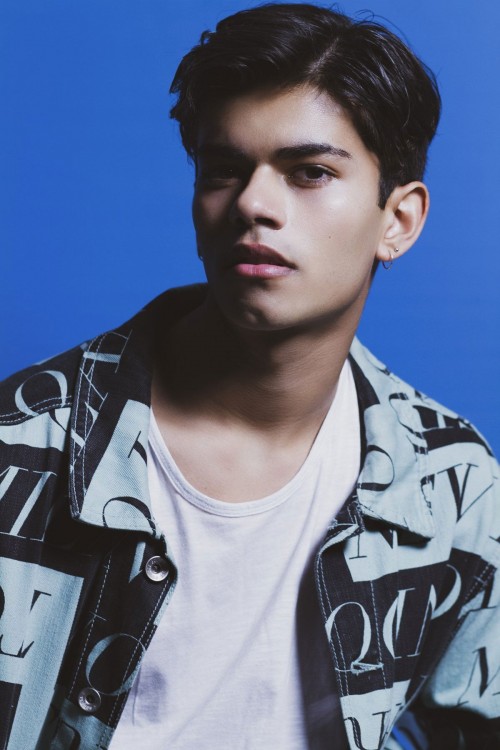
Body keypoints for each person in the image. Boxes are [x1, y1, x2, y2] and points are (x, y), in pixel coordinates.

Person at [0, 3, 498, 749]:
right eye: (223, 170)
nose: (253, 205)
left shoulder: (451, 482)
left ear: (398, 220)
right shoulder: (22, 444)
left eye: (310, 173)